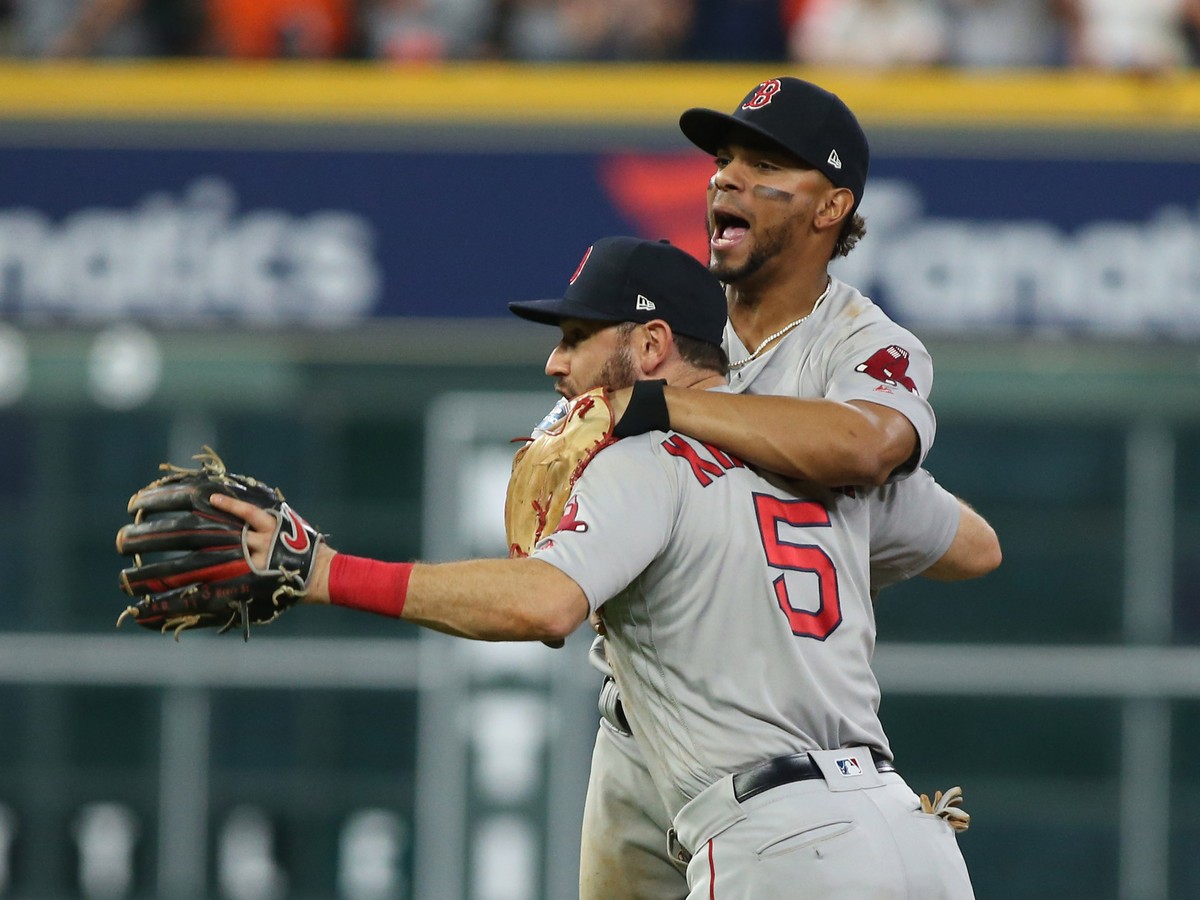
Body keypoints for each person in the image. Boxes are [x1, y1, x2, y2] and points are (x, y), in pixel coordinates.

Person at [213, 235, 978, 897]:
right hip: (914, 836)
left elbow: (544, 605)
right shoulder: (819, 460)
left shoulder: (641, 457)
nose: (554, 362)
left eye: (577, 336)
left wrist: (324, 572)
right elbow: (977, 548)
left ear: (649, 348)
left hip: (782, 851)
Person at [573, 76, 1000, 899]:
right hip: (635, 723)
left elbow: (874, 453)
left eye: (765, 164)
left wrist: (672, 411)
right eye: (725, 159)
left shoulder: (860, 343)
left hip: (769, 752)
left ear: (831, 206)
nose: (726, 177)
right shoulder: (676, 323)